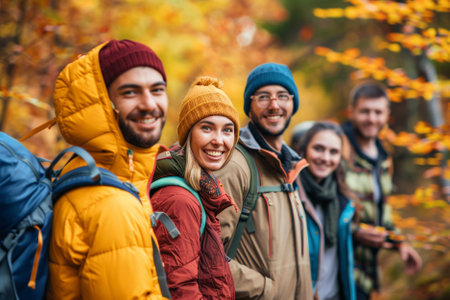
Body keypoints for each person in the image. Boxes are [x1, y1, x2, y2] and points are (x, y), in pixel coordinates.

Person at [47, 39, 170, 299]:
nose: (149, 104)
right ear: (103, 103)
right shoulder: (112, 205)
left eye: (157, 90)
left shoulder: (93, 172)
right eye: (130, 92)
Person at [215, 63, 313, 299]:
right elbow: (208, 254)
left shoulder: (292, 167)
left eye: (282, 96)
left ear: (292, 104)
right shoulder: (235, 165)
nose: (274, 105)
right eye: (263, 97)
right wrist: (266, 291)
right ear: (249, 107)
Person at [149, 76, 238, 299]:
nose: (219, 140)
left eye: (227, 130)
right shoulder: (180, 199)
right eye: (207, 128)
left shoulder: (201, 191)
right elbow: (180, 288)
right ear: (188, 135)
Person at [341, 82, 422, 299]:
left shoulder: (383, 158)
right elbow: (319, 210)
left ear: (387, 115)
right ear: (352, 112)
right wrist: (355, 232)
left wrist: (400, 243)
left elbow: (382, 212)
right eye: (365, 111)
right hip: (336, 272)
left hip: (367, 274)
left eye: (378, 112)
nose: (372, 118)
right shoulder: (336, 151)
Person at [292, 121, 358, 300]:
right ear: (304, 150)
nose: (326, 158)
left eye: (334, 152)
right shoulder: (289, 195)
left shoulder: (344, 200)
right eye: (318, 149)